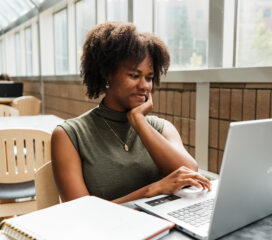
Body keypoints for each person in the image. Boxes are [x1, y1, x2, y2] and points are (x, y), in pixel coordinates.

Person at [51, 22, 211, 204]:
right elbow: (79, 211)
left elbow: (189, 172)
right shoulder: (69, 135)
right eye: (134, 76)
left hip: (163, 227)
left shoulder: (162, 128)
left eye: (149, 78)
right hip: (106, 231)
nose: (144, 86)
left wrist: (138, 121)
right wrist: (151, 190)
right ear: (107, 74)